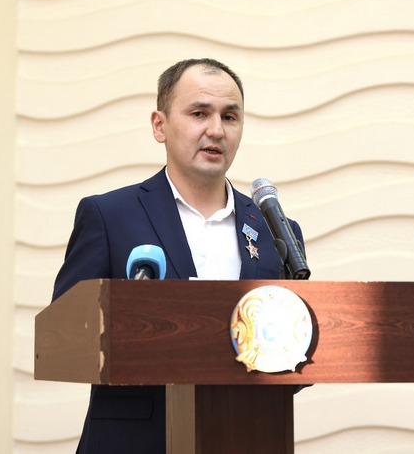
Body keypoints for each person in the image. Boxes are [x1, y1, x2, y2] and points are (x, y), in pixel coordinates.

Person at [51, 58, 307, 453]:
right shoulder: (109, 216)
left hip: (246, 437)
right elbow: (66, 337)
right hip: (134, 443)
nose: (216, 130)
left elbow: (302, 350)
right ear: (160, 125)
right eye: (199, 113)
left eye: (230, 116)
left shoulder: (277, 231)